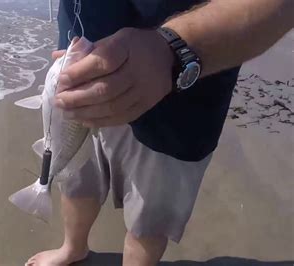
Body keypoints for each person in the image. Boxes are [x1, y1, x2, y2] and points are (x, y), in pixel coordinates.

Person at [25, 0, 294, 265]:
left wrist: (174, 51)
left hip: (185, 81)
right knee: (77, 176)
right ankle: (73, 247)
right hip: (79, 68)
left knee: (150, 215)